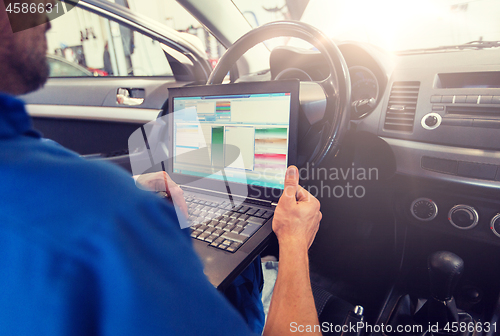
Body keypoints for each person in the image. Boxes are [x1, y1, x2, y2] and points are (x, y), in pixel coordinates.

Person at [0, 1, 323, 335]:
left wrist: (134, 185)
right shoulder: (109, 221)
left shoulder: (39, 175)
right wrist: (294, 243)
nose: (46, 20)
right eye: (28, 6)